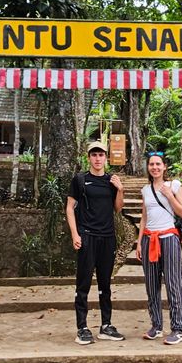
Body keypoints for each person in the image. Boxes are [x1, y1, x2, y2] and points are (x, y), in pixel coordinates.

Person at [66, 140, 126, 345]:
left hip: (107, 238)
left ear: (106, 158)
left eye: (101, 155)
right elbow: (69, 207)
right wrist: (75, 234)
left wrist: (120, 190)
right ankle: (82, 327)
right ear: (89, 157)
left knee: (105, 283)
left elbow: (117, 209)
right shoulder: (80, 179)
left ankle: (106, 325)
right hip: (87, 236)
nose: (98, 158)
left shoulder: (111, 180)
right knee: (83, 283)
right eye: (94, 155)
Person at [136, 151, 182, 345]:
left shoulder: (174, 185)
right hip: (150, 239)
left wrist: (169, 195)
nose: (155, 167)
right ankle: (156, 326)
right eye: (151, 164)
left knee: (173, 283)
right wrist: (139, 242)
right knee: (151, 285)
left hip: (169, 238)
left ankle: (178, 328)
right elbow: (144, 217)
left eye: (158, 164)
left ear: (164, 167)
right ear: (148, 168)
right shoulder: (145, 190)